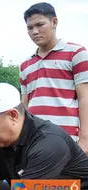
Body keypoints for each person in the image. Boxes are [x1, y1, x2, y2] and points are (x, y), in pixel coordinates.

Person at [19, 2, 88, 153]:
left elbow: (85, 98)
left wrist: (85, 140)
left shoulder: (76, 53)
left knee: (69, 178)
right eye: (30, 28)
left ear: (54, 22)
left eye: (40, 25)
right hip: (34, 139)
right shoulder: (25, 65)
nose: (35, 31)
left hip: (67, 138)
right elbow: (24, 105)